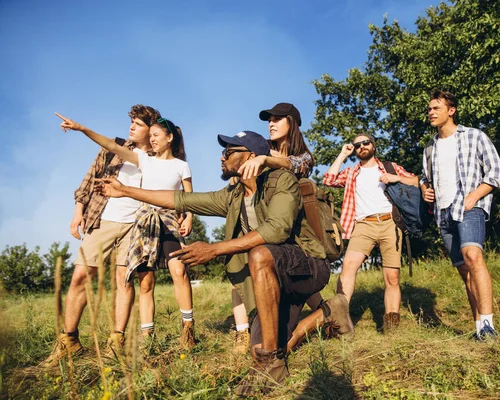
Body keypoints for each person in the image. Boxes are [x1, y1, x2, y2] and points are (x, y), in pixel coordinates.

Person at [94, 131, 352, 396]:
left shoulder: (281, 180)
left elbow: (276, 231)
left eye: (229, 152)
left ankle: (273, 363)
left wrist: (214, 249)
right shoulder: (234, 195)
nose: (222, 157)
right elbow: (179, 199)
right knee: (260, 347)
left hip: (307, 267)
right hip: (271, 279)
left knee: (260, 254)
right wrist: (125, 191)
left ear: (251, 156)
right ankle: (329, 312)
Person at [55, 113, 197, 351]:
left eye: (151, 132)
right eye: (147, 133)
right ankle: (75, 339)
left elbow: (183, 193)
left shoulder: (171, 162)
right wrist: (82, 128)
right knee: (106, 278)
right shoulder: (132, 155)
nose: (149, 138)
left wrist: (187, 214)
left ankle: (177, 330)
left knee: (153, 275)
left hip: (153, 222)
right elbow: (101, 158)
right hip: (123, 220)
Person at [42, 104, 161, 367]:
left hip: (136, 224)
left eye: (138, 124)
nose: (131, 126)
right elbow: (88, 180)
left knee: (124, 280)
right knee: (80, 276)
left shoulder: (156, 157)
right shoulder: (113, 147)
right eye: (131, 121)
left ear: (150, 129)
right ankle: (69, 341)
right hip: (102, 218)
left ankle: (115, 343)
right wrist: (78, 212)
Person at [229, 102, 323, 354]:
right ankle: (244, 331)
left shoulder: (303, 155)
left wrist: (264, 160)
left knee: (295, 282)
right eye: (269, 119)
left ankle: (325, 312)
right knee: (242, 266)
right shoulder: (262, 150)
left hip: (295, 233)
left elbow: (294, 165)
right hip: (266, 226)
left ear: (291, 122)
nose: (271, 123)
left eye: (277, 119)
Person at [420, 90, 500, 340]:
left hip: (468, 207)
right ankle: (479, 326)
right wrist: (425, 189)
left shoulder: (474, 136)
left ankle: (489, 325)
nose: (431, 113)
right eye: (429, 109)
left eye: (436, 108)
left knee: (473, 256)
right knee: (464, 272)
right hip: (443, 213)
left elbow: (496, 173)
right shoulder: (429, 148)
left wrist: (474, 196)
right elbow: (425, 178)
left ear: (451, 110)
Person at [324, 133, 418, 333]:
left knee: (392, 277)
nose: (361, 147)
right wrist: (342, 155)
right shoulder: (351, 173)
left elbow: (418, 181)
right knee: (348, 266)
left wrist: (396, 178)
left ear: (373, 146)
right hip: (363, 226)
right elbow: (328, 179)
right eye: (357, 145)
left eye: (365, 143)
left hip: (389, 224)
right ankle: (341, 322)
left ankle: (391, 326)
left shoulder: (389, 167)